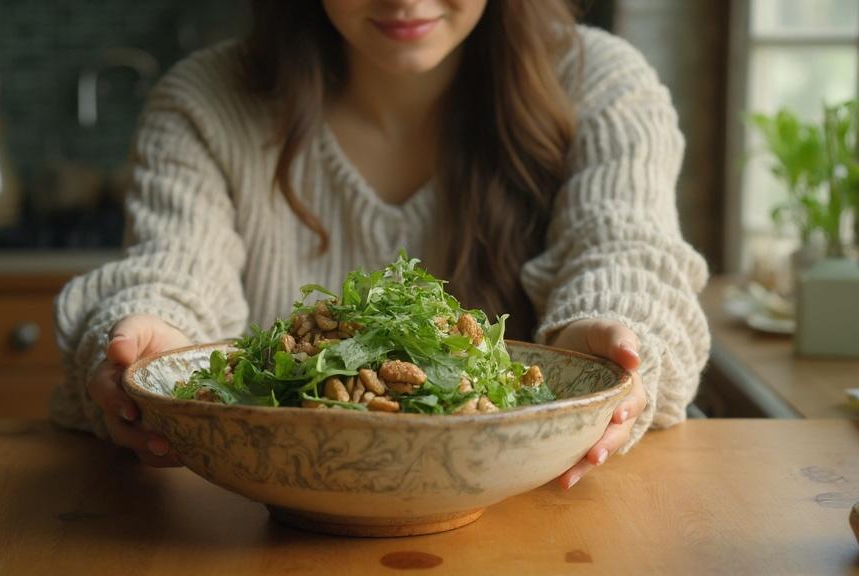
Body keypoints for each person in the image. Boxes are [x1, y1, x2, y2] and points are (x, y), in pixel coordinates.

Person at [51, 0, 710, 490]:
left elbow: (627, 248)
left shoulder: (602, 83)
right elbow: (173, 271)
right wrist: (151, 342)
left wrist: (611, 345)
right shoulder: (202, 104)